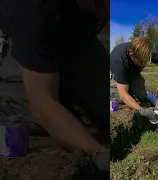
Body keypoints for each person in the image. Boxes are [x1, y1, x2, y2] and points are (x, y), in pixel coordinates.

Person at [0, 0, 110, 173]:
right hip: (27, 38)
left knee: (106, 104)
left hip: (77, 38)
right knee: (30, 119)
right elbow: (44, 104)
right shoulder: (34, 11)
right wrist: (99, 154)